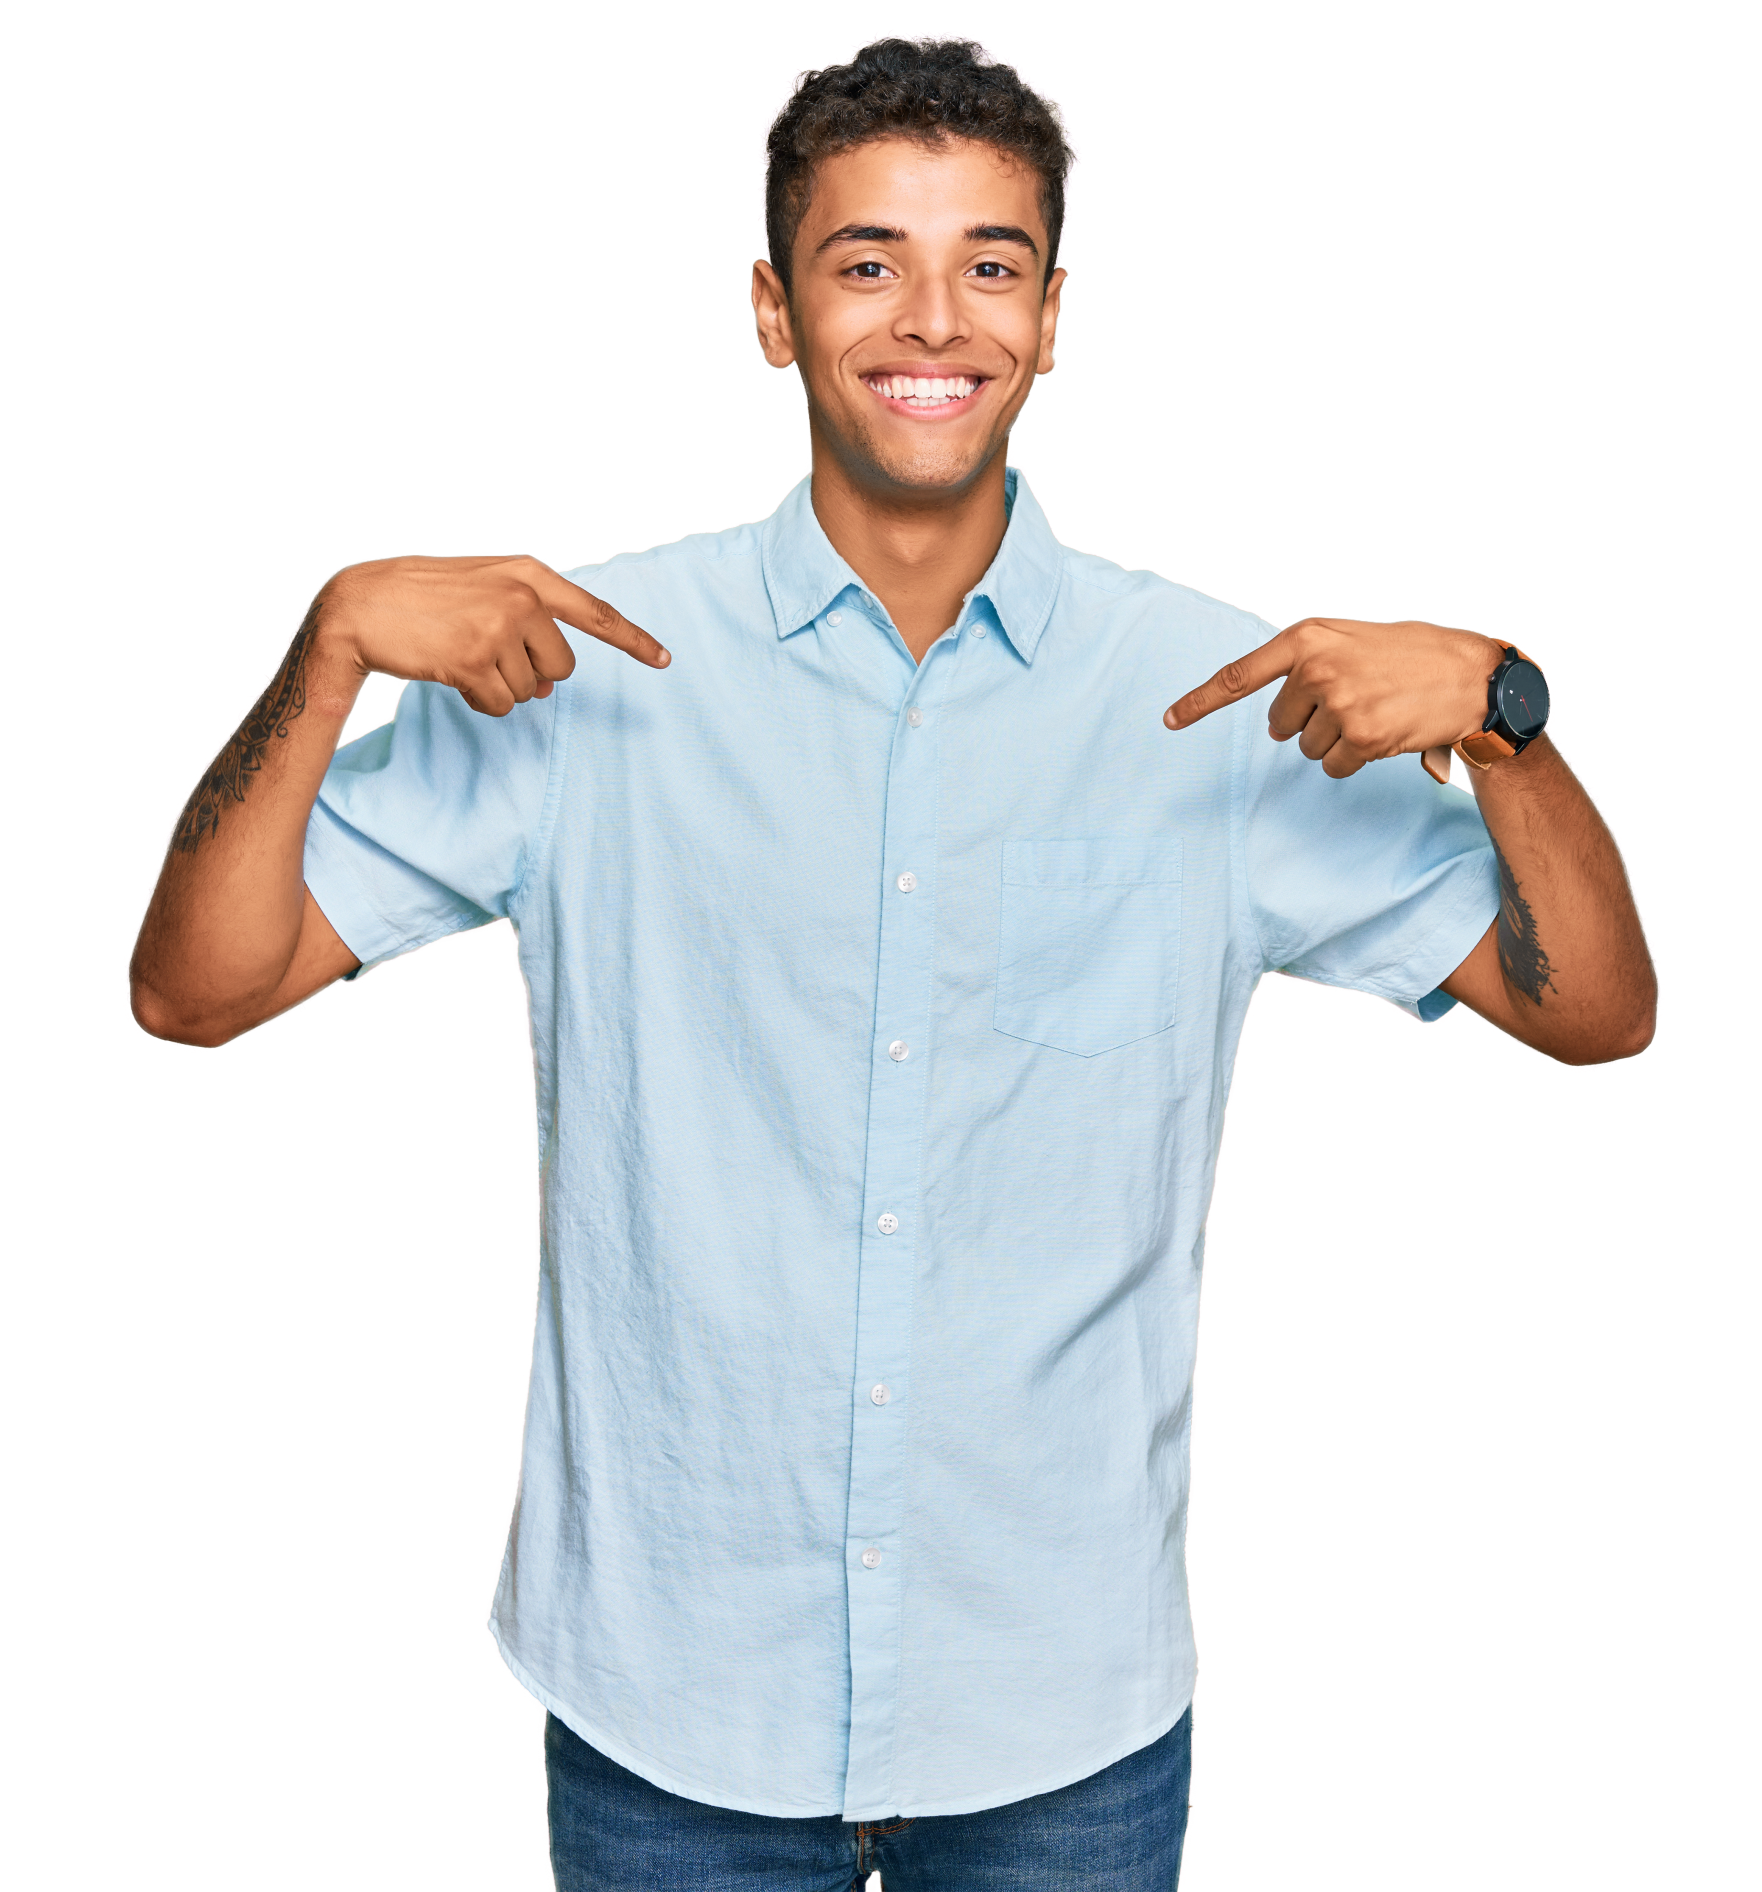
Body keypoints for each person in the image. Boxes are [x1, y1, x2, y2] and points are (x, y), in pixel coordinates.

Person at [125, 31, 1659, 1892]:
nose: (932, 319)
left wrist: (1508, 724)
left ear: (1054, 317)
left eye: (989, 263)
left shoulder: (1224, 696)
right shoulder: (578, 662)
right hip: (667, 1713)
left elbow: (1597, 1015)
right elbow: (191, 993)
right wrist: (331, 648)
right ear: (775, 311)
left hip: (1061, 1724)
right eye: (868, 261)